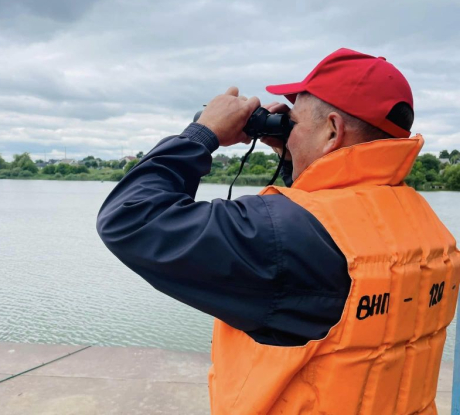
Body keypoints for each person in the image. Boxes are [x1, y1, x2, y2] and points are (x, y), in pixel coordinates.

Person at [96, 48, 460, 414]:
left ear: (333, 130)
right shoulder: (429, 228)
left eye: (295, 123)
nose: (288, 131)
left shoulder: (282, 238)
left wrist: (201, 134)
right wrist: (295, 157)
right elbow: (333, 228)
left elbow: (130, 218)